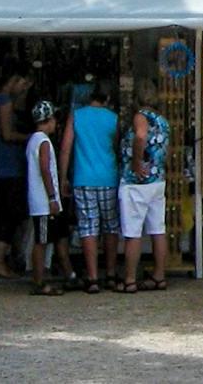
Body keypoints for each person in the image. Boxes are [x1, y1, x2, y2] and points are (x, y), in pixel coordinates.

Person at [60, 80, 120, 293]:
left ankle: (93, 277)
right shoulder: (113, 119)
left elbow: (66, 147)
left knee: (88, 226)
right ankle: (111, 273)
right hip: (109, 177)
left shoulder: (77, 116)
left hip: (83, 178)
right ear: (108, 99)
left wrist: (63, 177)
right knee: (111, 226)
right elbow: (116, 147)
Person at [118, 78, 172, 292]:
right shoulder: (163, 121)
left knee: (133, 232)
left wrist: (136, 162)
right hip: (157, 180)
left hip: (137, 182)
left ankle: (130, 279)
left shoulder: (141, 117)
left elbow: (140, 136)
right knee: (158, 229)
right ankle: (159, 275)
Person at [0, 66, 34, 279]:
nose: (24, 87)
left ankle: (2, 258)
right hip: (8, 164)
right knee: (8, 210)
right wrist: (31, 137)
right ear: (13, 80)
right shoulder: (4, 101)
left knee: (4, 209)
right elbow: (7, 133)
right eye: (22, 83)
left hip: (0, 162)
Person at [24, 100, 62, 296]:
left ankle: (38, 278)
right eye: (54, 118)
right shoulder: (44, 142)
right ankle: (39, 281)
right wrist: (52, 197)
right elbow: (45, 169)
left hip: (36, 200)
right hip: (43, 201)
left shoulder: (32, 140)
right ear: (48, 120)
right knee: (41, 242)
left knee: (41, 240)